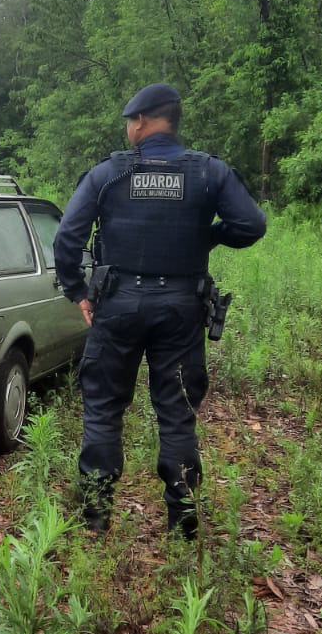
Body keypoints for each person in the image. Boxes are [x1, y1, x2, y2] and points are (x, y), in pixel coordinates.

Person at [53, 83, 267, 537]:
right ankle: (183, 525)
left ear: (145, 122)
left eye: (132, 122)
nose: (129, 129)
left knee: (105, 408)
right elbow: (251, 224)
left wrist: (79, 292)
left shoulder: (108, 173)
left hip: (118, 306)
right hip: (181, 309)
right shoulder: (208, 172)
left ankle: (95, 517)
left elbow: (66, 239)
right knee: (176, 413)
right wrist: (207, 235)